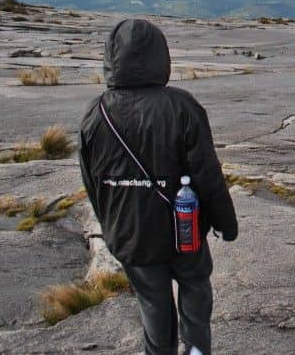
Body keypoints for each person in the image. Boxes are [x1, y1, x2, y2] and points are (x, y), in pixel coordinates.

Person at [79, 19, 237, 355]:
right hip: (184, 229)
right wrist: (226, 223)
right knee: (195, 288)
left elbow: (92, 183)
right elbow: (208, 175)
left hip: (131, 234)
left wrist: (111, 225)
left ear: (111, 57)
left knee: (153, 303)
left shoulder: (96, 113)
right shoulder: (182, 106)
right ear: (160, 56)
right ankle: (195, 349)